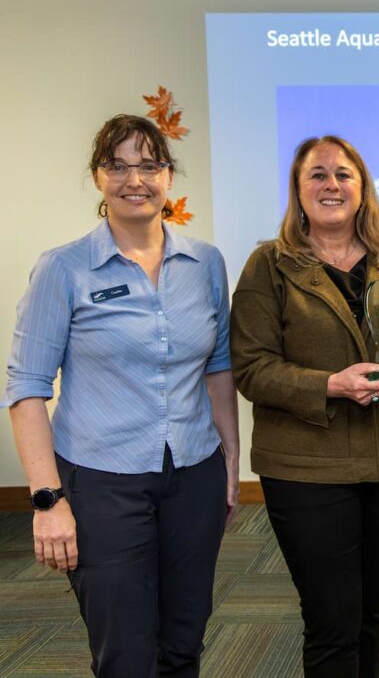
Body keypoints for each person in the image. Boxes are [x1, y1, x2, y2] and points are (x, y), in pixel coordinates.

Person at [3, 114, 239, 676]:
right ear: (97, 177)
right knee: (126, 658)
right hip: (101, 483)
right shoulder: (63, 269)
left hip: (194, 474)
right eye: (118, 165)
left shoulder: (205, 263)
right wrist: (46, 499)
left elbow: (219, 368)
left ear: (168, 177)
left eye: (149, 165)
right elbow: (26, 388)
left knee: (183, 647)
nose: (135, 179)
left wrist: (231, 463)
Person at [230, 135, 379, 678]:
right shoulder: (268, 266)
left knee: (370, 609)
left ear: (362, 188)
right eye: (317, 175)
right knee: (331, 621)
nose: (331, 184)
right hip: (305, 470)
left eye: (343, 174)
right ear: (298, 193)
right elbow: (251, 368)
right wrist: (330, 384)